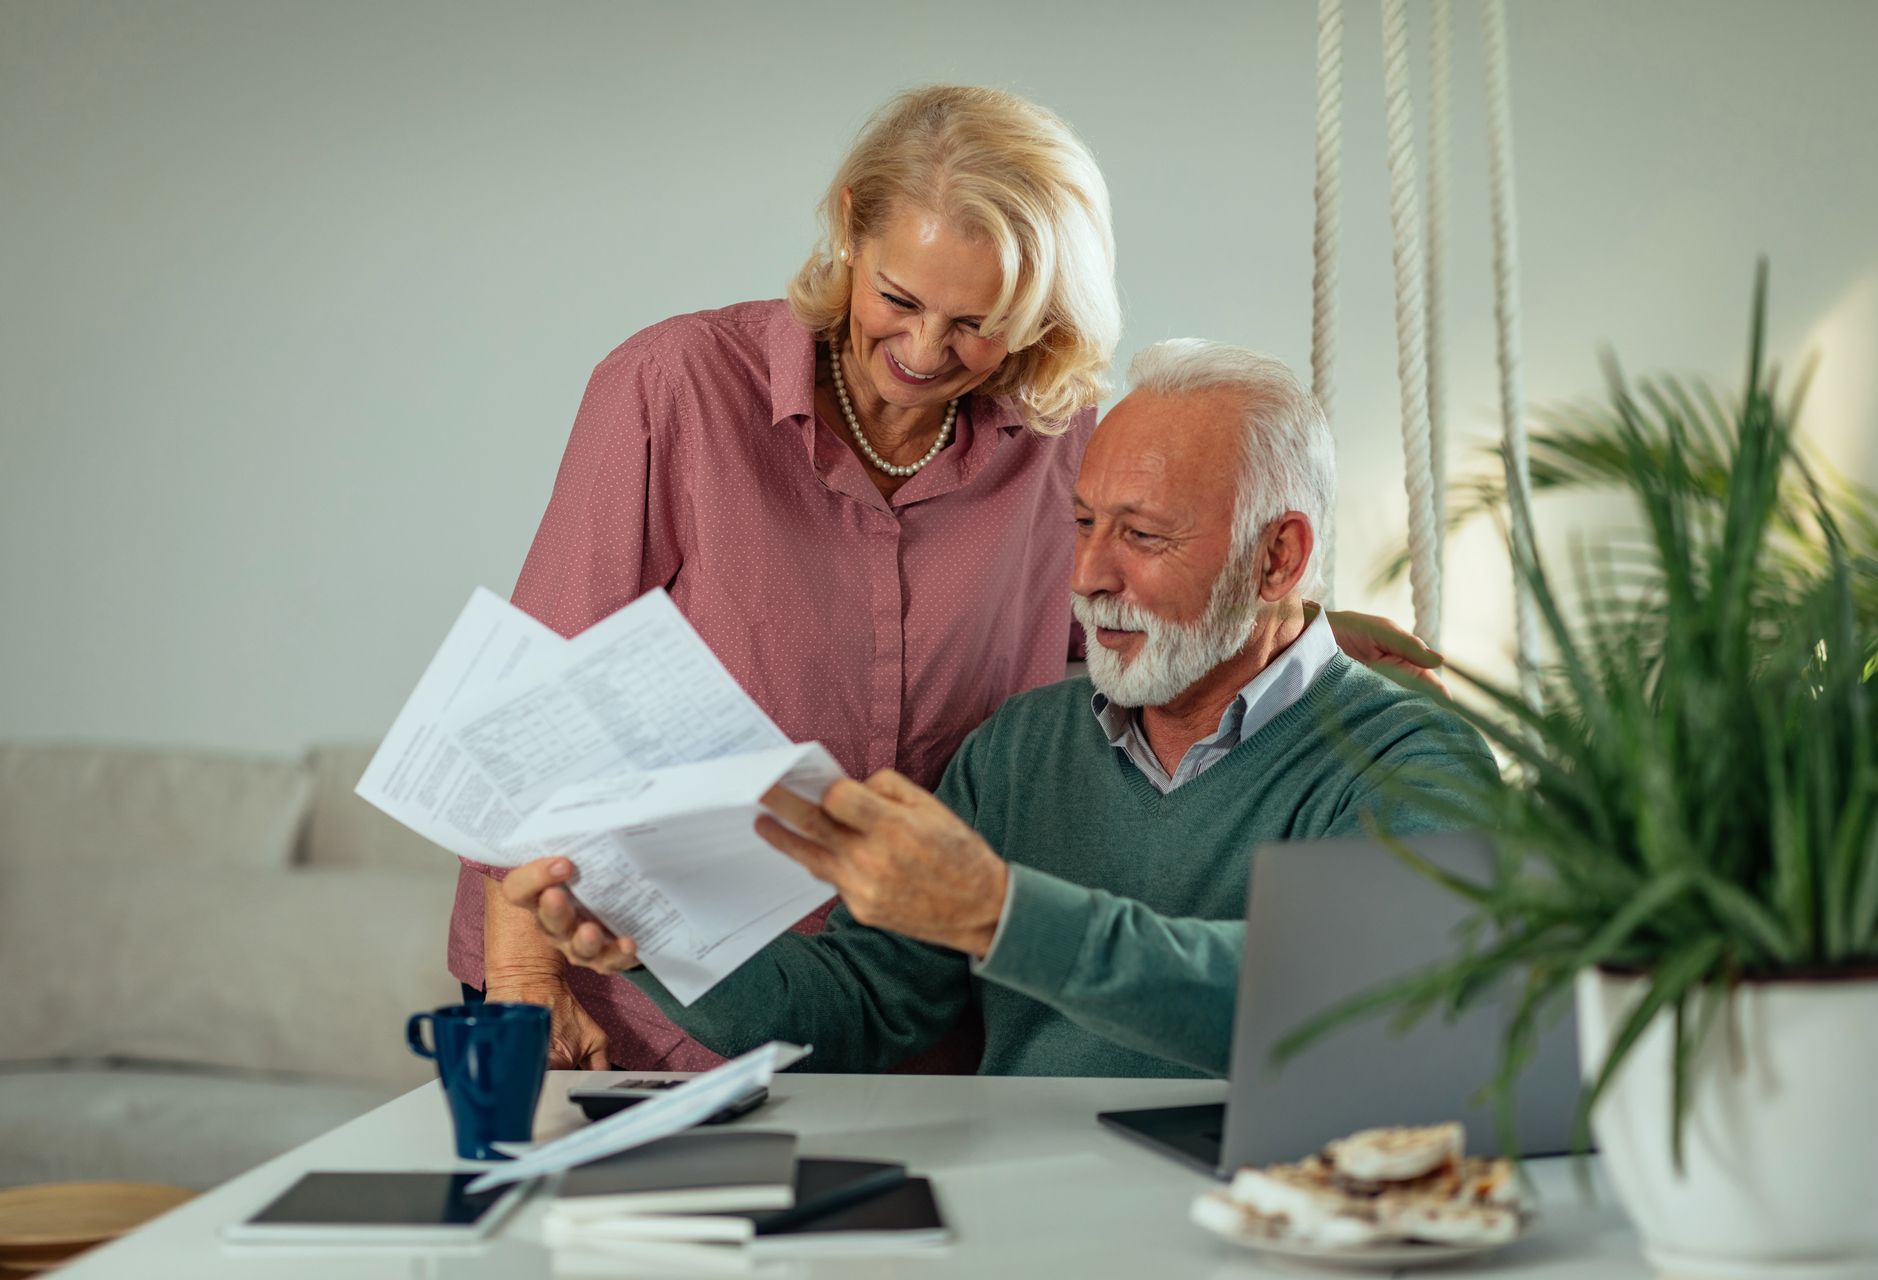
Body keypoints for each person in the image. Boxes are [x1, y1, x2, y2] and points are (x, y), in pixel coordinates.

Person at [456, 85, 1442, 1074]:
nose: (926, 352)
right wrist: (527, 977)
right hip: (646, 981)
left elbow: (1121, 635)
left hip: (913, 983)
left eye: (977, 321)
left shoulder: (1064, 439)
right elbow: (535, 701)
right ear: (850, 227)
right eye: (899, 298)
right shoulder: (676, 387)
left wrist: (1286, 624)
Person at [502, 340, 1494, 1078]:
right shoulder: (1024, 748)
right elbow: (859, 1005)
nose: (1092, 575)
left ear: (1278, 557)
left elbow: (1367, 1002)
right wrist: (661, 939)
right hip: (1008, 1219)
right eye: (1083, 524)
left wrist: (1002, 912)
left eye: (1143, 535)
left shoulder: (1408, 756)